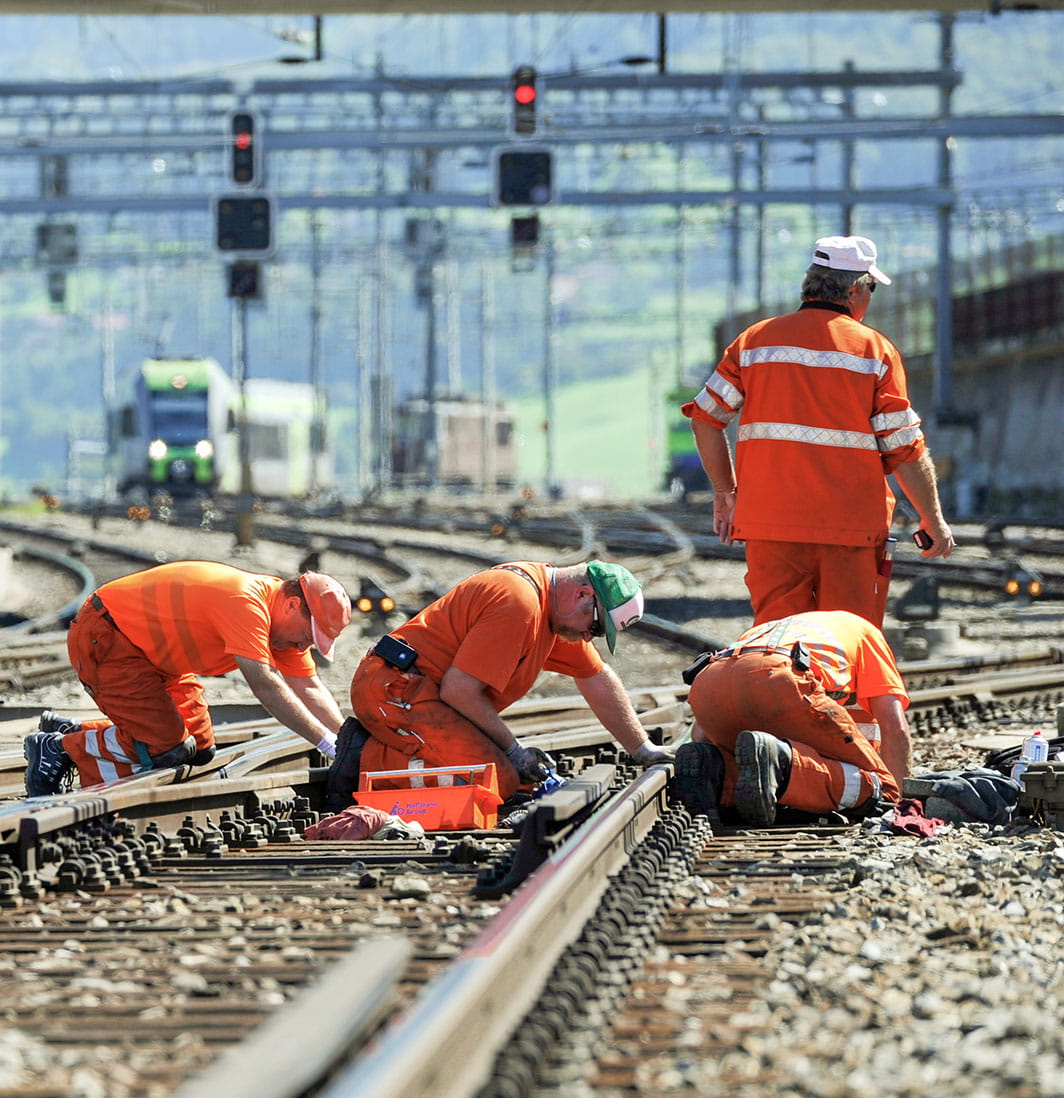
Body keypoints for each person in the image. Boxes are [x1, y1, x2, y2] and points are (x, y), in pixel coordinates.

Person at [682, 234, 955, 626]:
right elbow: (904, 448)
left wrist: (726, 493)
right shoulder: (874, 352)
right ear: (856, 289)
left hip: (770, 526)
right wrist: (933, 519)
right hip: (852, 530)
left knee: (778, 642)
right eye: (872, 288)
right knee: (844, 640)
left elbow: (705, 418)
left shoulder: (754, 343)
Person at [344, 560, 672, 801]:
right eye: (596, 627)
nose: (589, 637)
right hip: (394, 691)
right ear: (582, 594)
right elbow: (460, 691)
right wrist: (513, 751)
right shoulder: (519, 605)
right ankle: (362, 760)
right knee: (494, 781)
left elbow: (596, 677)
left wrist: (642, 748)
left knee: (520, 780)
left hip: (423, 695)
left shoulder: (552, 614)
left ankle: (396, 751)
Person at [22, 562, 352, 796]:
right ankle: (60, 748)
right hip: (109, 637)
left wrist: (347, 741)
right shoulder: (246, 603)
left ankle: (78, 731)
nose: (303, 648)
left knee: (200, 747)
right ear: (292, 606)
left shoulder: (282, 627)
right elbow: (265, 684)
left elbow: (308, 685)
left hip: (157, 658)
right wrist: (324, 742)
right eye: (307, 637)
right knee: (167, 748)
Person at [674, 610, 910, 826]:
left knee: (745, 760)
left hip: (708, 682)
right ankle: (782, 763)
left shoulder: (766, 629)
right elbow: (895, 727)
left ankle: (715, 770)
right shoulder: (867, 633)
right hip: (781, 676)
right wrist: (899, 800)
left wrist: (710, 751)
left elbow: (701, 733)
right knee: (882, 790)